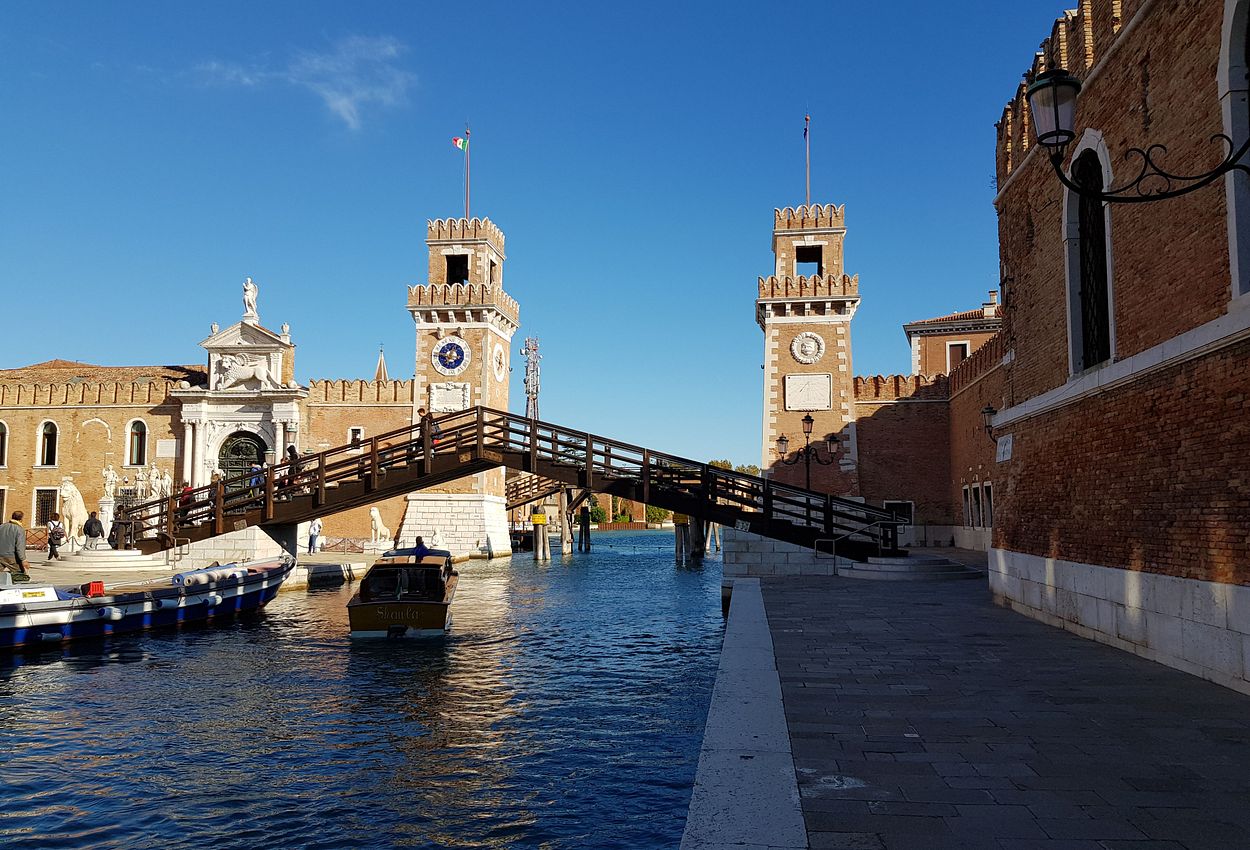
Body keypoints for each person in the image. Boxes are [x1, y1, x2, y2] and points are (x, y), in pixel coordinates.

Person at [0, 511, 29, 580]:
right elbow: (20, 547)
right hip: (11, 557)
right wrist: (23, 560)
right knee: (20, 575)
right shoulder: (19, 529)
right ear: (21, 519)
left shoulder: (1, 526)